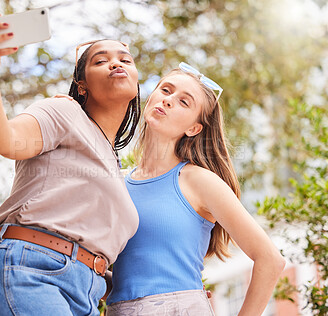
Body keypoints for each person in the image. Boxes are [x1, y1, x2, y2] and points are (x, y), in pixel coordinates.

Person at [0, 14, 141, 316]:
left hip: (82, 294)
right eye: (100, 61)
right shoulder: (64, 111)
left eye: (125, 59)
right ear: (81, 85)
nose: (116, 63)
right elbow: (4, 140)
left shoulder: (114, 164)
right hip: (28, 273)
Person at [106, 63, 286, 316]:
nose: (168, 100)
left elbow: (270, 260)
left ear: (194, 128)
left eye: (184, 102)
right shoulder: (118, 181)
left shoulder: (198, 180)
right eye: (165, 90)